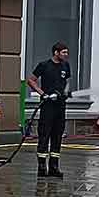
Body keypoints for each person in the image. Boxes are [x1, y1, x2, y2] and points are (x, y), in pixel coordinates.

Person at [27, 42, 71, 178]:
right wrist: (43, 94)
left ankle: (54, 167)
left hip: (60, 107)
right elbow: (31, 80)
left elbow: (67, 81)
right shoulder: (44, 65)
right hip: (47, 107)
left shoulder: (65, 66)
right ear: (56, 53)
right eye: (63, 52)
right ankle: (41, 167)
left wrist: (65, 92)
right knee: (44, 135)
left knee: (57, 136)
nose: (66, 55)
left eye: (66, 52)